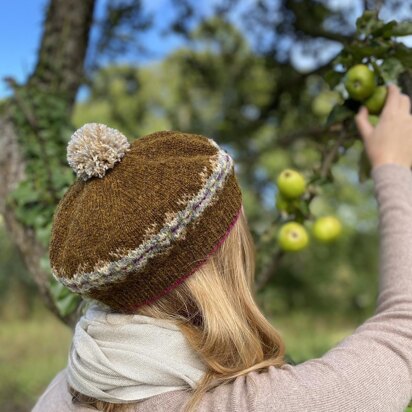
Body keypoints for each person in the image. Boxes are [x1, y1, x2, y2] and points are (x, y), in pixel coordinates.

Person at [32, 84, 412, 412]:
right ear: (216, 261)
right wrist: (392, 167)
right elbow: (404, 331)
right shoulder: (257, 404)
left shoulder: (63, 391)